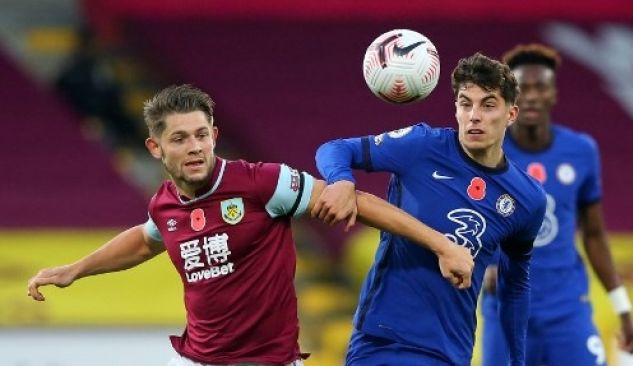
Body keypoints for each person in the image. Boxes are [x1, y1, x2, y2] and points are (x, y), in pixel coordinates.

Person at [26, 84, 475, 366]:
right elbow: (146, 240)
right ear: (155, 148)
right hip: (197, 358)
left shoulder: (262, 183)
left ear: (214, 136)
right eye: (179, 139)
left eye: (201, 135)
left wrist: (441, 244)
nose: (195, 147)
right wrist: (75, 270)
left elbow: (352, 200)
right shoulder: (165, 204)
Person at [312, 53, 547, 366]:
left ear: (511, 114)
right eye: (466, 103)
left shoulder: (527, 200)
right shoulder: (422, 146)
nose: (474, 115)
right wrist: (341, 181)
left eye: (488, 105)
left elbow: (515, 285)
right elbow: (335, 149)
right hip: (383, 339)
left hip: (450, 351)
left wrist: (518, 361)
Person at [480, 43, 633, 366]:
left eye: (541, 87)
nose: (532, 96)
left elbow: (594, 235)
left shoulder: (581, 150)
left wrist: (623, 309)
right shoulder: (483, 151)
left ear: (554, 94)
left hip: (567, 312)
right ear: (508, 96)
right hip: (506, 315)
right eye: (522, 88)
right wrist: (479, 266)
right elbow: (462, 222)